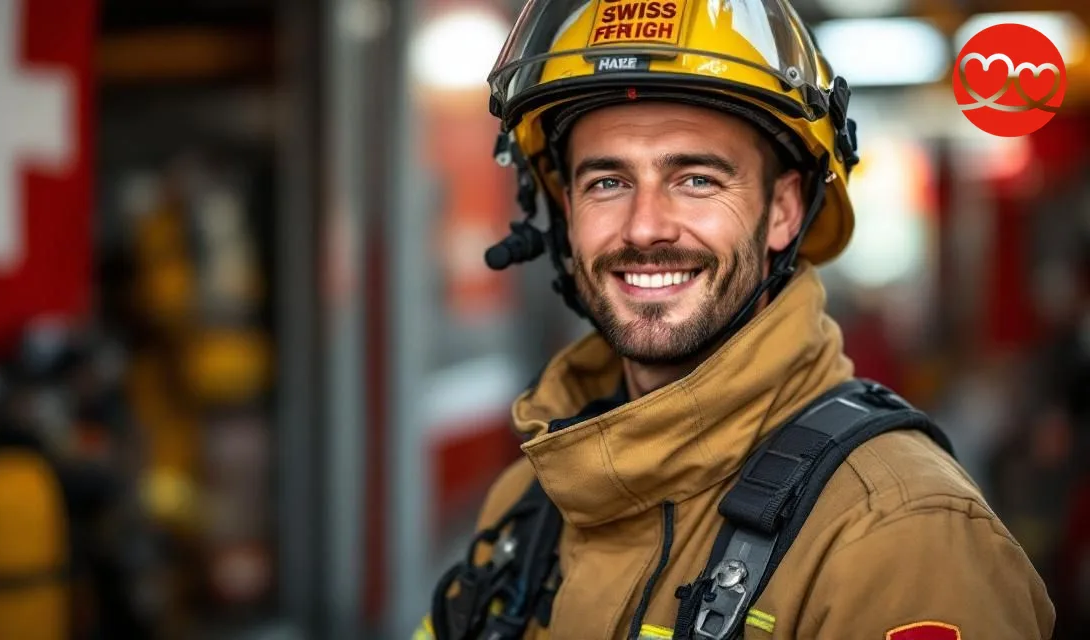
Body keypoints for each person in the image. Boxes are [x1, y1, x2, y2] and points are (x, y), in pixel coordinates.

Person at [417, 1, 1056, 639]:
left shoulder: (901, 537)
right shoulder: (528, 500)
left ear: (783, 210)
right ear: (566, 212)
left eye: (696, 179)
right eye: (607, 182)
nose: (644, 227)